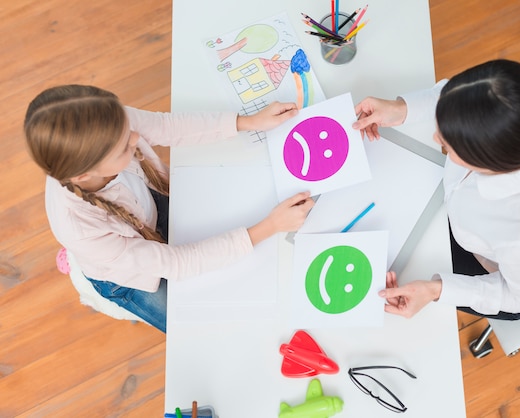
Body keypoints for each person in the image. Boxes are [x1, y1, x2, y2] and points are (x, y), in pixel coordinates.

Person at [24, 84, 315, 333]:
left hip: (148, 210)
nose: (137, 138)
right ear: (83, 176)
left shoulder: (107, 122)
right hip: (130, 277)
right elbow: (177, 263)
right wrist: (270, 227)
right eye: (124, 146)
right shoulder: (80, 228)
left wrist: (248, 122)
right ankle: (87, 279)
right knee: (196, 325)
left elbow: (167, 127)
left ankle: (82, 262)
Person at [352, 59, 520, 320]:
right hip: (462, 214)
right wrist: (401, 108)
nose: (435, 138)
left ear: (485, 161)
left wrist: (436, 291)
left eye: (447, 145)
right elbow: (460, 95)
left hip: (501, 277)